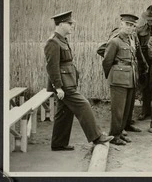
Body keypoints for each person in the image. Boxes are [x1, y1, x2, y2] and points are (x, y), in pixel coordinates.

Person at [44, 11, 113, 151]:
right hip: (63, 84)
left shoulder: (62, 39)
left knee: (64, 112)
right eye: (69, 24)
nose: (72, 26)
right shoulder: (53, 42)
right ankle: (97, 137)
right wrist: (58, 87)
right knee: (84, 105)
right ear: (61, 24)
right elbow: (52, 67)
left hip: (68, 81)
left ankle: (58, 143)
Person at [102, 14, 142, 145]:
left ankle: (120, 132)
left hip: (130, 78)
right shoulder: (115, 41)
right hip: (118, 79)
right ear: (121, 25)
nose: (130, 28)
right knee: (118, 110)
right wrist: (113, 77)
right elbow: (107, 61)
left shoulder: (131, 39)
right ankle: (114, 135)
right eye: (128, 24)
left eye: (132, 25)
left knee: (126, 109)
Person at [136, 5, 152, 120]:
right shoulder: (140, 30)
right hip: (144, 62)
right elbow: (137, 47)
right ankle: (145, 111)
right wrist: (141, 63)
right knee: (145, 86)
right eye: (149, 20)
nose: (150, 22)